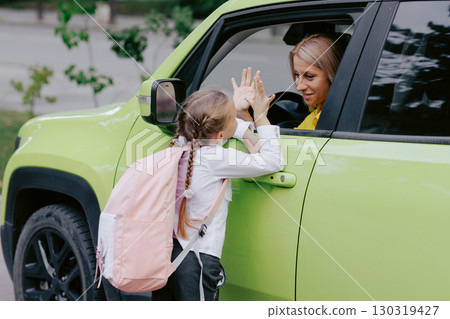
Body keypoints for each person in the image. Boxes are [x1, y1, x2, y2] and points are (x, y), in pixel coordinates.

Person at [152, 72, 284, 301]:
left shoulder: (180, 145)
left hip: (170, 255)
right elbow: (272, 160)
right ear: (221, 133)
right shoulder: (216, 158)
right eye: (233, 119)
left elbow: (215, 133)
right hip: (198, 260)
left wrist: (238, 114)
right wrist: (260, 115)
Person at [290, 33, 347, 130]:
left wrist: (260, 117)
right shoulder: (316, 114)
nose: (299, 87)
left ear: (334, 75)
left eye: (309, 76)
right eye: (297, 75)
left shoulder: (334, 121)